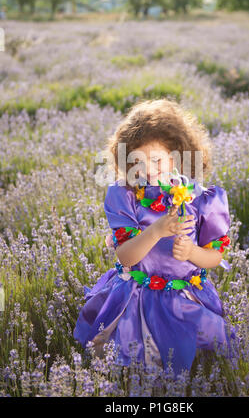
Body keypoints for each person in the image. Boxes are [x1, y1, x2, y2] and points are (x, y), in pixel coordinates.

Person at [73, 99, 235, 377]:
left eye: (157, 160)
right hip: (137, 296)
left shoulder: (202, 198)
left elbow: (214, 257)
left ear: (177, 154)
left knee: (204, 353)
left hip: (185, 293)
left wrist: (192, 253)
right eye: (138, 162)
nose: (148, 170)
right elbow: (125, 256)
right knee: (128, 357)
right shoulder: (125, 196)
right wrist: (157, 230)